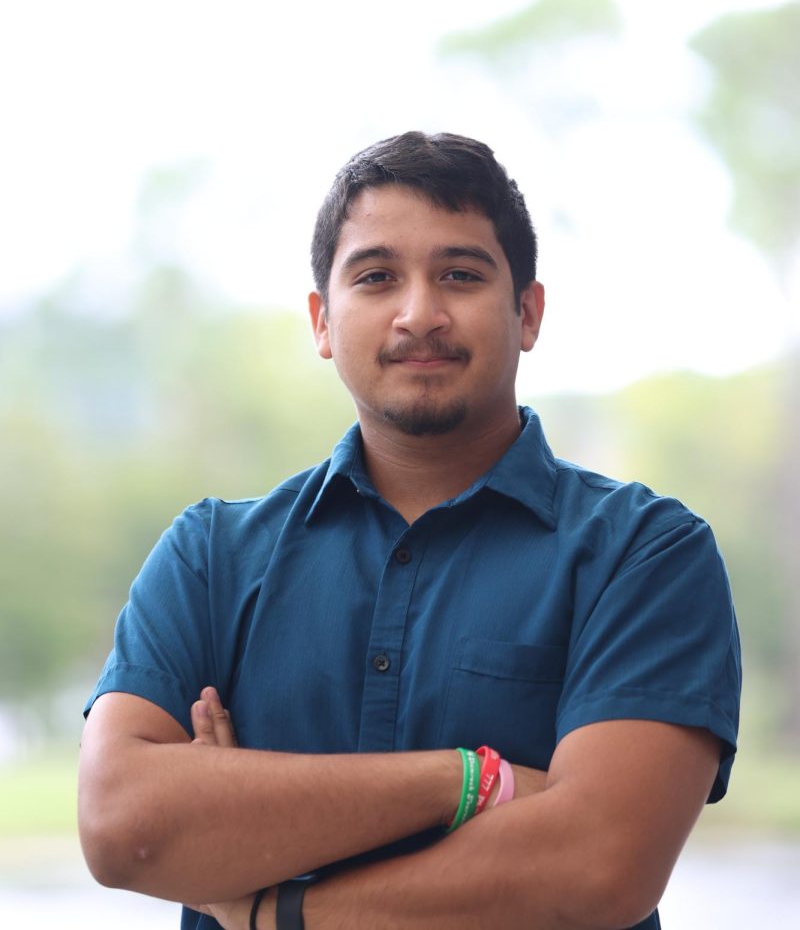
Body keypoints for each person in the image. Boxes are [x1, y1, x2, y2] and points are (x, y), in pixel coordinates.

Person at [79, 132, 741, 930]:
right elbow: (123, 828)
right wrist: (469, 779)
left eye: (460, 275)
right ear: (323, 322)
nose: (419, 313)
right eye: (376, 277)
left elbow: (596, 867)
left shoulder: (645, 555)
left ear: (526, 313)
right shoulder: (210, 558)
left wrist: (269, 909)